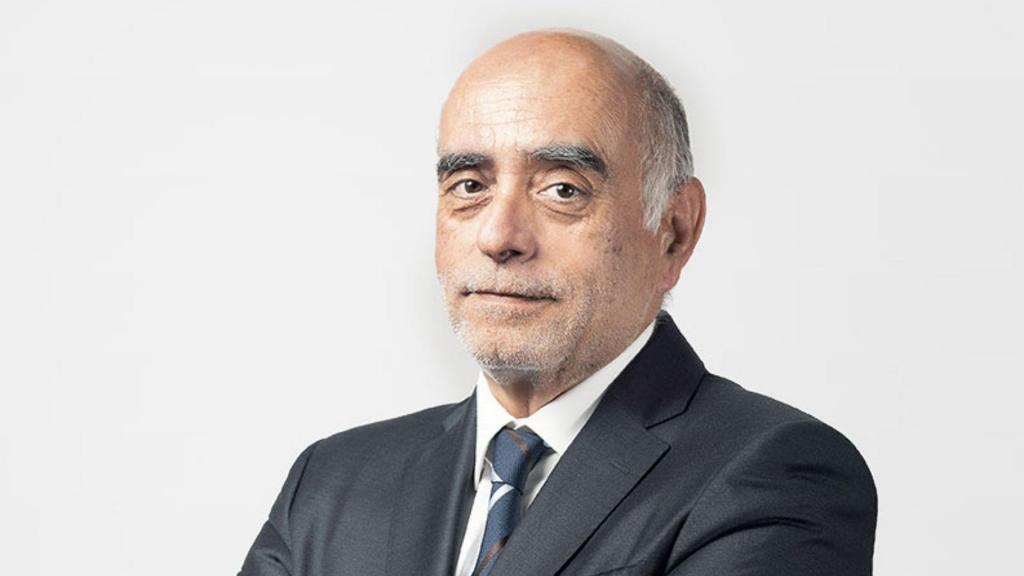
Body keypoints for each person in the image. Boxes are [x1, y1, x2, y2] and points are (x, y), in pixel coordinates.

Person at [239, 29, 877, 576]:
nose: (499, 237)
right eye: (469, 185)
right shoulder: (332, 481)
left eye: (563, 190)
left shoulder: (775, 474)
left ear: (674, 230)